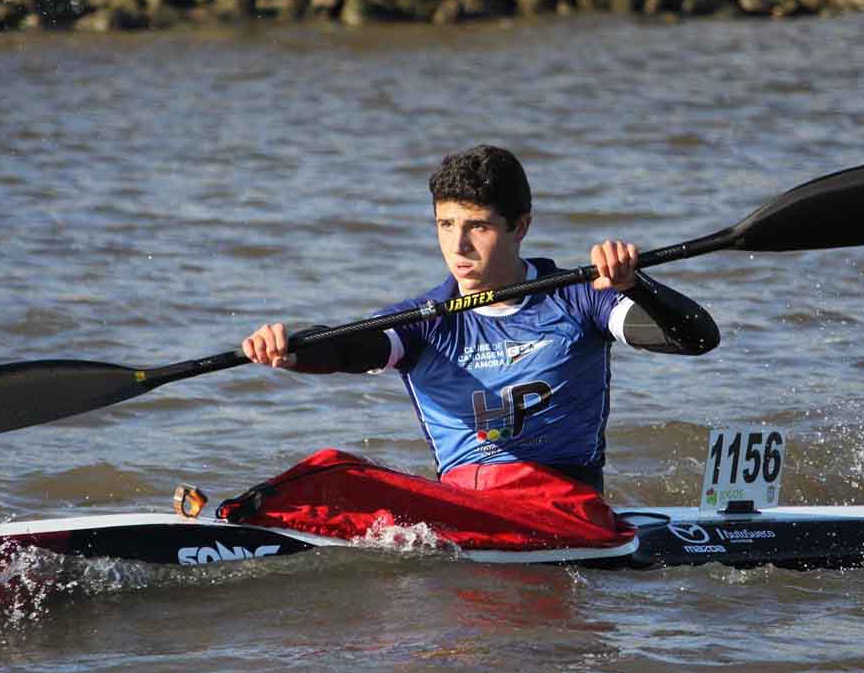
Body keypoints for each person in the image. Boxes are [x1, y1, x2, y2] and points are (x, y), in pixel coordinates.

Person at [241, 145, 719, 498]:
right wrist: (293, 351)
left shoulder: (580, 299)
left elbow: (697, 339)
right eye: (445, 225)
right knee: (333, 471)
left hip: (568, 504)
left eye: (478, 227)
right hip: (467, 504)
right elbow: (351, 349)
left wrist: (635, 284)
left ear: (520, 227)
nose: (458, 246)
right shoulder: (423, 320)